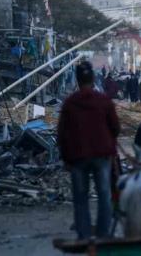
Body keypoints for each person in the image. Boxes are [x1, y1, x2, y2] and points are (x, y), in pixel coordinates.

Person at [57, 61, 120, 239]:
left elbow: (61, 133)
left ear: (77, 80)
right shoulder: (103, 101)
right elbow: (115, 127)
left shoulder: (70, 103)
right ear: (93, 79)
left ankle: (84, 234)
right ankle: (103, 233)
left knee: (80, 197)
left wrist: (65, 158)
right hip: (102, 155)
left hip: (78, 156)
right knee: (104, 194)